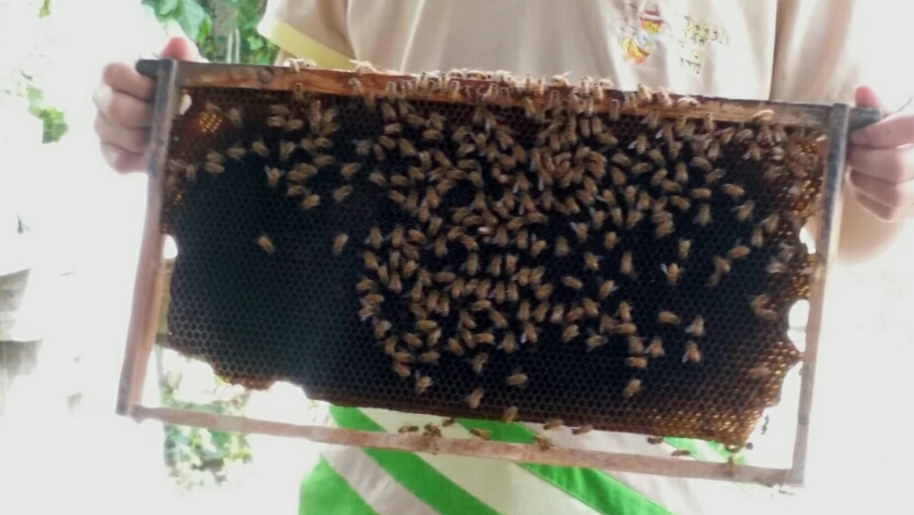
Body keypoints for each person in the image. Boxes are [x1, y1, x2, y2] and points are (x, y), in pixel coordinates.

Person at [93, 1, 913, 513]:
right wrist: (184, 136)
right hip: (391, 464)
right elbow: (294, 157)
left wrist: (887, 185)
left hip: (655, 477)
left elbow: (839, 212)